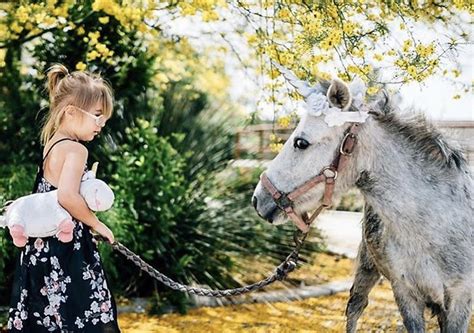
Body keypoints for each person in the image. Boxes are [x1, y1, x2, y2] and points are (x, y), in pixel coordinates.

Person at [7, 63, 121, 332]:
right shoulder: (76, 150)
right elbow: (68, 197)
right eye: (97, 116)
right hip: (66, 251)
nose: (101, 124)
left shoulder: (52, 145)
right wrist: (97, 224)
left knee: (47, 317)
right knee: (82, 315)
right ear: (71, 112)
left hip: (41, 250)